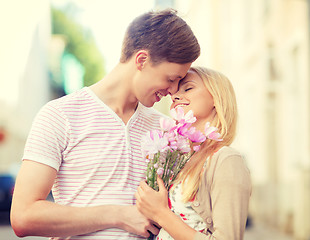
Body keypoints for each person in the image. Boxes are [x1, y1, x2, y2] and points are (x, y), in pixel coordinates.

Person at [10, 9, 200, 240]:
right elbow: (23, 216)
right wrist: (118, 215)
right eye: (171, 79)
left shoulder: (166, 130)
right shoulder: (60, 115)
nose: (173, 91)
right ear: (141, 60)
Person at [135, 66, 252, 240]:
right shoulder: (179, 160)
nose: (174, 96)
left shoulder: (226, 159)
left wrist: (160, 213)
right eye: (174, 92)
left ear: (216, 98)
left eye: (188, 88)